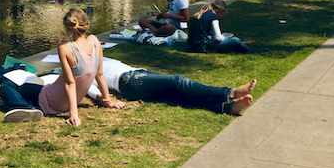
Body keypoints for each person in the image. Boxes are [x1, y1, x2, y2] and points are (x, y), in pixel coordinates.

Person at [0, 8, 124, 125]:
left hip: (50, 99)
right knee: (28, 88)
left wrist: (74, 114)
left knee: (6, 87)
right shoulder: (95, 41)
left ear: (67, 28)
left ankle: (27, 108)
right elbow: (99, 74)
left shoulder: (65, 48)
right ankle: (28, 106)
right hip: (66, 101)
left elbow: (70, 83)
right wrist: (108, 101)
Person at [87, 57, 256, 116]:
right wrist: (107, 101)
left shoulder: (93, 51)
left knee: (177, 93)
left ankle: (226, 107)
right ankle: (229, 93)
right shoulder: (80, 69)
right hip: (129, 82)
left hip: (137, 74)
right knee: (178, 82)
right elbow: (89, 88)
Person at [188, 0, 255, 54]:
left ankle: (242, 43)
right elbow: (218, 38)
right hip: (203, 47)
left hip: (192, 45)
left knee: (211, 36)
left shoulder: (202, 14)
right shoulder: (213, 17)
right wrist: (226, 38)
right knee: (235, 40)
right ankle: (245, 47)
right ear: (220, 10)